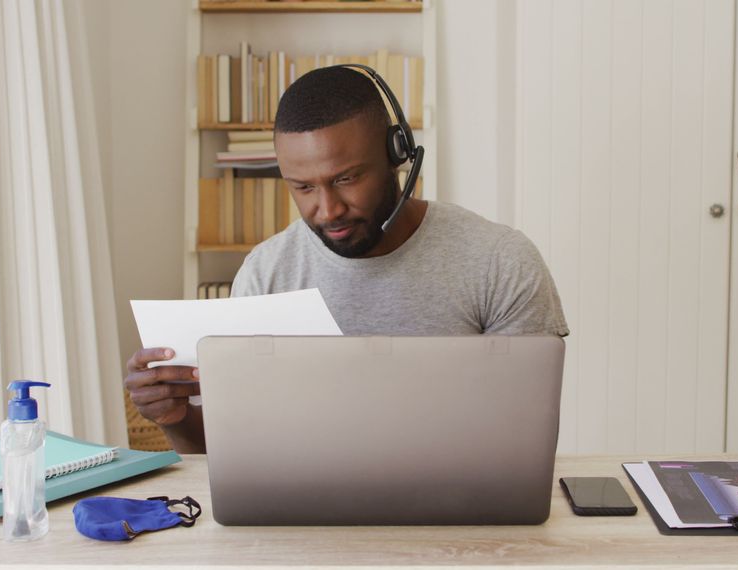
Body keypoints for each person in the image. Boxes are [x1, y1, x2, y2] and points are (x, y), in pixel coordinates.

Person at [124, 67, 568, 453]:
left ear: (398, 155)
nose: (328, 208)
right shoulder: (267, 273)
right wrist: (175, 416)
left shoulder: (499, 262)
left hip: (457, 521)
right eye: (303, 187)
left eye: (347, 178)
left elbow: (526, 442)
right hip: (304, 526)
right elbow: (227, 455)